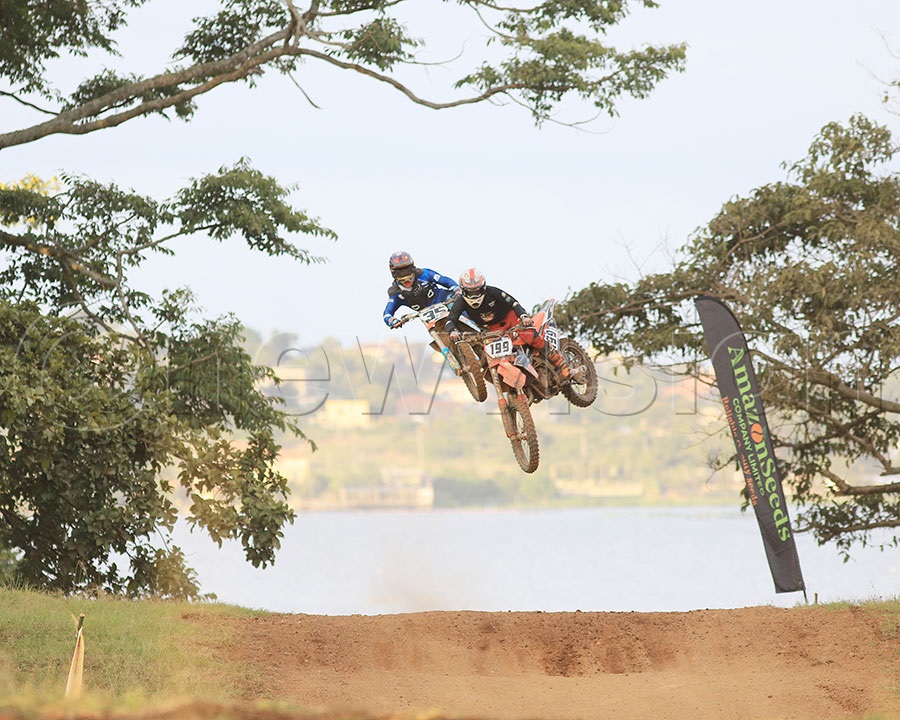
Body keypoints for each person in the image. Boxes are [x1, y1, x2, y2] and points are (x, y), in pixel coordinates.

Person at [444, 267, 570, 378]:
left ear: (482, 287)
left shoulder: (492, 292)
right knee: (490, 355)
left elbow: (513, 302)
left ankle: (560, 362)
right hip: (492, 328)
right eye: (470, 292)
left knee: (529, 335)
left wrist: (524, 316)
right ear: (463, 290)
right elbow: (451, 319)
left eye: (476, 291)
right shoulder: (460, 302)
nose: (474, 295)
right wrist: (453, 331)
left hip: (510, 318)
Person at [382, 250, 459, 328]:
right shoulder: (396, 293)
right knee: (437, 329)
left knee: (459, 306)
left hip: (446, 300)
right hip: (428, 315)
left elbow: (446, 281)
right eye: (400, 272)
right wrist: (392, 320)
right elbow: (387, 314)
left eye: (406, 270)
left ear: (412, 267)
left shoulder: (424, 274)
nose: (406, 278)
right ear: (394, 273)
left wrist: (457, 290)